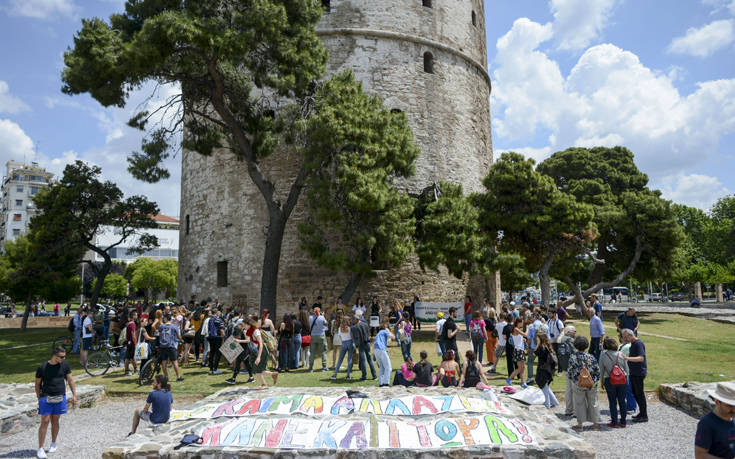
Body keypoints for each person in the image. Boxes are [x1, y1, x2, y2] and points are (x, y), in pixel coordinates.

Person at [35, 347, 77, 459]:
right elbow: (37, 384)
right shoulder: (42, 367)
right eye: (62, 357)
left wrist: (74, 395)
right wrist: (39, 399)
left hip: (60, 397)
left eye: (64, 357)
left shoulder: (65, 365)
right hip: (46, 397)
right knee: (45, 421)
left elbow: (70, 380)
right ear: (55, 355)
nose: (64, 359)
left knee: (55, 420)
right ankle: (40, 448)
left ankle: (53, 443)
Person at [567, 336, 601, 430]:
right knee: (593, 402)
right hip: (591, 383)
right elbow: (597, 371)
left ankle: (580, 425)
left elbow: (570, 371)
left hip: (578, 383)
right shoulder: (591, 357)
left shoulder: (573, 357)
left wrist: (574, 380)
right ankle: (595, 424)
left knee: (579, 403)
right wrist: (594, 381)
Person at [694, 381, 735, 459]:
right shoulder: (706, 424)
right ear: (717, 402)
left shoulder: (733, 420)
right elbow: (700, 455)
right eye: (729, 405)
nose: (734, 409)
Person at [599, 336, 629, 428]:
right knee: (622, 401)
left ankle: (614, 421)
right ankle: (623, 421)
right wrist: (627, 380)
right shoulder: (621, 354)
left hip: (609, 379)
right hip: (622, 379)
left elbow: (601, 370)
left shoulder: (603, 355)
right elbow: (627, 369)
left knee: (612, 402)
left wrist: (602, 382)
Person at [620, 328, 648, 422]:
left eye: (625, 337)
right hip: (633, 372)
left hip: (639, 372)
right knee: (635, 393)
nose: (624, 339)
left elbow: (641, 358)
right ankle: (641, 413)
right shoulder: (632, 344)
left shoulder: (638, 343)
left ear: (630, 335)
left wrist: (627, 358)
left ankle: (644, 415)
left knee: (639, 394)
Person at [246, 314, 278, 388]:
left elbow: (260, 344)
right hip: (260, 350)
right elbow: (248, 340)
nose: (243, 326)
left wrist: (259, 357)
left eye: (244, 325)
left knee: (258, 370)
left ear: (249, 325)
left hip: (262, 350)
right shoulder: (251, 331)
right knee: (258, 369)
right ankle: (272, 374)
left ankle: (265, 384)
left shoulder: (256, 331)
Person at [225, 319, 254, 384]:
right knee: (246, 364)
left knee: (238, 363)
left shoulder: (245, 331)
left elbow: (248, 340)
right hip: (242, 350)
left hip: (244, 350)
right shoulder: (243, 330)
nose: (240, 325)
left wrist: (239, 341)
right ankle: (251, 377)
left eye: (242, 324)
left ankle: (233, 379)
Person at [534, 332, 558, 409]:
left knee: (543, 386)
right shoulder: (548, 346)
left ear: (540, 339)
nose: (536, 339)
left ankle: (547, 404)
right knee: (546, 386)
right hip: (548, 369)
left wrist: (537, 345)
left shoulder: (541, 347)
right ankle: (554, 401)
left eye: (537, 338)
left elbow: (535, 353)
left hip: (543, 369)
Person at [557, 325, 577, 416]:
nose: (575, 333)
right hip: (573, 368)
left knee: (568, 389)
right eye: (574, 331)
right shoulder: (571, 341)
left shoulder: (561, 339)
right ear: (569, 332)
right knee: (575, 389)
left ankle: (569, 410)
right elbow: (576, 353)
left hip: (565, 367)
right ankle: (576, 411)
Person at [158, 315, 184, 381]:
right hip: (171, 346)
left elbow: (159, 335)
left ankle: (165, 377)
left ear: (166, 319)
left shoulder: (161, 326)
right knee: (174, 361)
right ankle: (178, 376)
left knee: (164, 362)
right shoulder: (174, 326)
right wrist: (181, 340)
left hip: (163, 346)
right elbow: (179, 336)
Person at [351, 314, 376, 381]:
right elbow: (368, 333)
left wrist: (356, 346)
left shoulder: (354, 327)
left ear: (356, 319)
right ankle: (374, 376)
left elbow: (356, 338)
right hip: (367, 343)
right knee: (370, 360)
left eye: (354, 319)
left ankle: (364, 376)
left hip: (361, 345)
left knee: (363, 361)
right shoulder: (365, 324)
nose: (353, 321)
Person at [506, 317, 528, 387]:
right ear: (519, 322)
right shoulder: (516, 329)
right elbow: (525, 334)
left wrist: (523, 340)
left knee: (523, 367)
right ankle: (509, 379)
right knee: (520, 368)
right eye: (522, 322)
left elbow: (520, 338)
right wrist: (527, 329)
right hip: (518, 350)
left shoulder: (517, 329)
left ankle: (523, 382)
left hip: (520, 350)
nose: (522, 324)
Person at [374, 321, 395, 387]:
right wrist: (389, 331)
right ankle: (386, 383)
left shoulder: (378, 333)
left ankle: (381, 383)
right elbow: (393, 337)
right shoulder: (384, 331)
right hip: (381, 349)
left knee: (381, 367)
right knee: (388, 367)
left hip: (376, 350)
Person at [308, 308, 329, 372]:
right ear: (319, 311)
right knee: (323, 352)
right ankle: (324, 367)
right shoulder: (322, 317)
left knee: (312, 352)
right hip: (321, 335)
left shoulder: (310, 317)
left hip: (313, 336)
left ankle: (311, 368)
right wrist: (323, 316)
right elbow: (326, 324)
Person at [207, 309, 225, 375]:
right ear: (217, 313)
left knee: (212, 353)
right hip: (217, 337)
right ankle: (215, 369)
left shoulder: (210, 320)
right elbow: (221, 330)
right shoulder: (219, 320)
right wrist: (223, 339)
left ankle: (211, 369)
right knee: (218, 353)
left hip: (211, 337)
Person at [124, 311, 138, 376]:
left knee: (127, 357)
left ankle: (127, 370)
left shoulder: (129, 323)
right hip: (132, 343)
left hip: (129, 343)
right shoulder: (132, 324)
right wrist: (135, 343)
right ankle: (135, 369)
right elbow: (133, 335)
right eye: (136, 315)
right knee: (133, 357)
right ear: (133, 316)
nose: (137, 316)